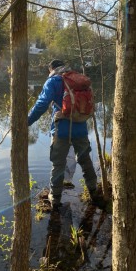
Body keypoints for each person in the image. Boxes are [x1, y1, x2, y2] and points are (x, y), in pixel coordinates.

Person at [28, 59, 99, 208]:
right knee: (85, 161)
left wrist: (26, 122)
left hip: (62, 130)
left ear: (51, 69)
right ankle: (95, 194)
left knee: (58, 164)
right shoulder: (78, 79)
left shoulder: (53, 81)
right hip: (81, 127)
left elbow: (41, 104)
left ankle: (55, 199)